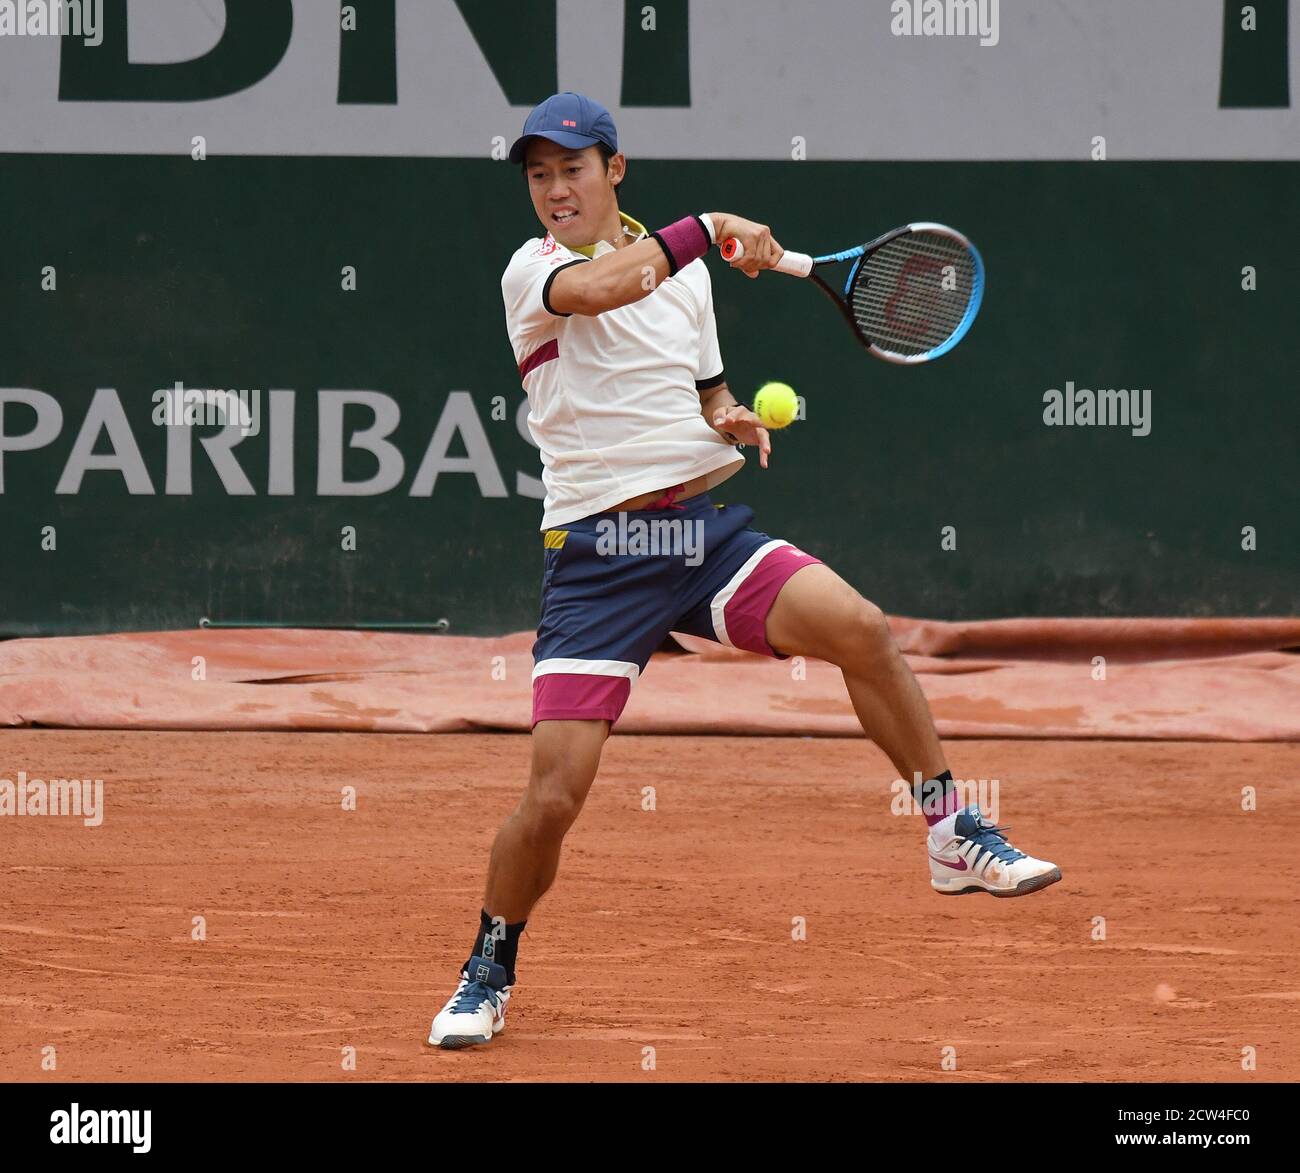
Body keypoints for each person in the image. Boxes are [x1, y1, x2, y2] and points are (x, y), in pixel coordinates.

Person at [428, 92, 1060, 1049]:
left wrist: (728, 418)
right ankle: (490, 963)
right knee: (553, 797)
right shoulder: (536, 270)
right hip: (599, 558)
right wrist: (713, 226)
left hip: (695, 539)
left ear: (615, 169)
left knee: (863, 629)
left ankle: (949, 829)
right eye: (539, 174)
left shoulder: (688, 280)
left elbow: (707, 386)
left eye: (573, 168)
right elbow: (607, 291)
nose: (556, 189)